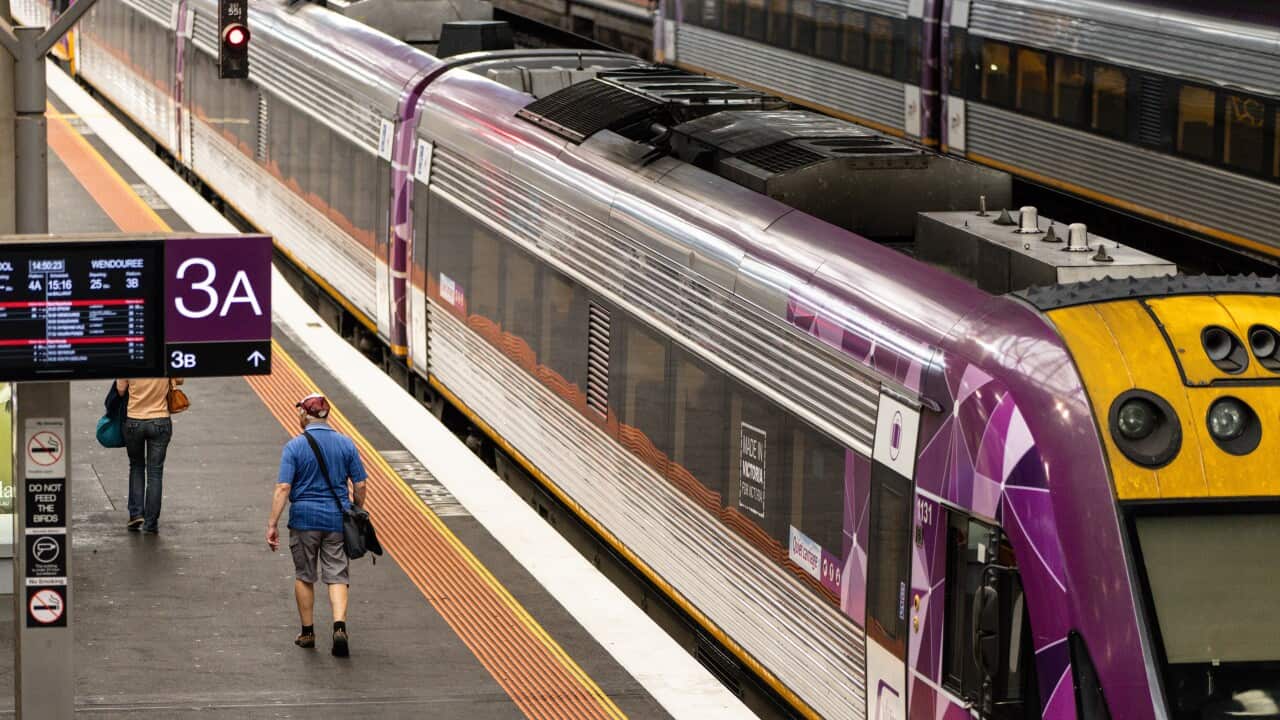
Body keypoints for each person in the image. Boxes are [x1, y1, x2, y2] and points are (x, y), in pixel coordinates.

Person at [266, 393, 367, 657]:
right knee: (337, 575)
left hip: (303, 520)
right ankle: (339, 626)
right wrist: (357, 508)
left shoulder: (294, 447)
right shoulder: (346, 444)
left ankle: (308, 632)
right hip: (336, 518)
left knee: (305, 575)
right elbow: (360, 484)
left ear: (305, 415)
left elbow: (283, 487)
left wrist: (272, 523)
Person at [116, 378, 182, 533]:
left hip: (134, 420)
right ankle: (151, 523)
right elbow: (179, 379)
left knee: (136, 466)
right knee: (155, 473)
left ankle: (136, 514)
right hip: (160, 420)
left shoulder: (131, 359)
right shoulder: (163, 359)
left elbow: (120, 390)